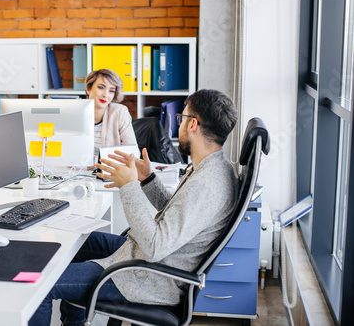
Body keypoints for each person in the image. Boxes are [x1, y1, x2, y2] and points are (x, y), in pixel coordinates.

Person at [28, 89, 239, 325]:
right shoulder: (213, 167)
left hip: (147, 277)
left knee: (39, 286)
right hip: (145, 260)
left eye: (181, 118)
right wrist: (147, 179)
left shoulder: (206, 184)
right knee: (76, 240)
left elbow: (154, 248)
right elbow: (178, 215)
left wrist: (129, 186)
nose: (177, 126)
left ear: (193, 124)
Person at [85, 69, 137, 162]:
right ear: (88, 88)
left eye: (111, 91)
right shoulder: (75, 112)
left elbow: (132, 153)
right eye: (101, 87)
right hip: (76, 171)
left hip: (110, 171)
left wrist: (93, 162)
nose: (106, 95)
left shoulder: (120, 112)